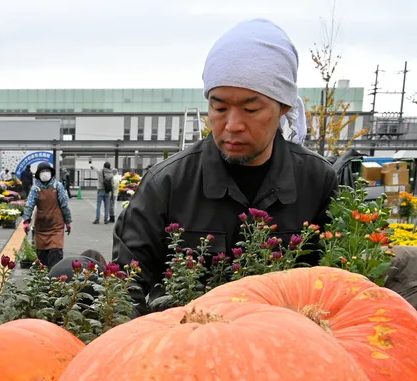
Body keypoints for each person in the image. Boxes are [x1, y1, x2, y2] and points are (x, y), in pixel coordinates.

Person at [113, 18, 337, 313]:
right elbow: (121, 292)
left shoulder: (317, 181)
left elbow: (338, 287)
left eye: (251, 109)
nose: (232, 125)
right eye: (218, 108)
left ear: (283, 106)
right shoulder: (166, 184)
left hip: (284, 351)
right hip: (183, 350)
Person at [22, 162, 72, 268]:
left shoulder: (58, 186)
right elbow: (29, 205)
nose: (45, 173)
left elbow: (64, 205)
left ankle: (55, 280)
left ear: (51, 173)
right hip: (41, 227)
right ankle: (44, 281)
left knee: (56, 255)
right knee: (42, 258)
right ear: (39, 174)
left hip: (56, 226)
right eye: (42, 171)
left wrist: (68, 222)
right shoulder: (35, 189)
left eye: (47, 171)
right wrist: (26, 221)